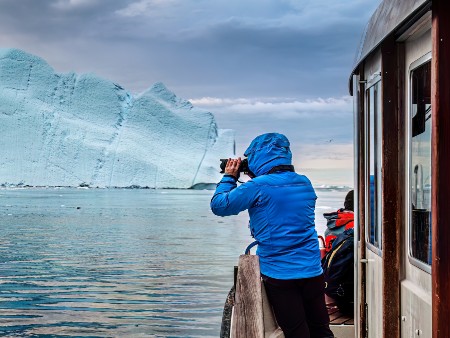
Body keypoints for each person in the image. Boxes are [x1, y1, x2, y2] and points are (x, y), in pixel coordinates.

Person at [210, 133, 333, 338]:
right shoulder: (304, 182)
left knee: (296, 331)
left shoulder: (257, 186)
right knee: (320, 328)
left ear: (259, 157)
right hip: (312, 270)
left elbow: (220, 206)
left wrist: (230, 177)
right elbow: (277, 193)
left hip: (281, 274)